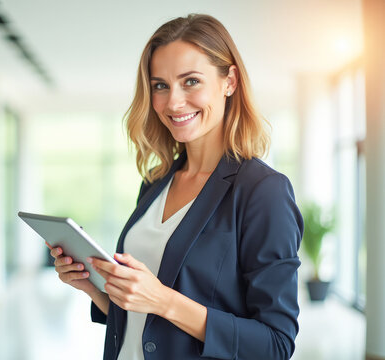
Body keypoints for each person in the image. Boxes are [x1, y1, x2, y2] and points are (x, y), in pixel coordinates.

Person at [47, 13, 303, 360]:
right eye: (160, 85)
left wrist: (165, 301)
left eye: (191, 81)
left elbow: (275, 345)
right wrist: (92, 286)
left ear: (229, 81)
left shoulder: (263, 191)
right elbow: (144, 323)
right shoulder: (155, 182)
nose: (173, 102)